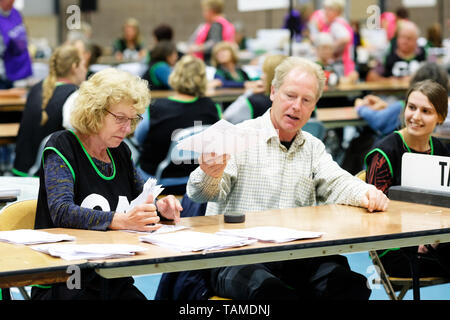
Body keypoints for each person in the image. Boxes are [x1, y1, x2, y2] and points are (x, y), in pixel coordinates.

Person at [186, 56, 389, 300]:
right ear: (273, 92)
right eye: (290, 96)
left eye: (306, 100)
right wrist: (210, 173)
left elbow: (338, 181)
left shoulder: (313, 147)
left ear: (314, 105)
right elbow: (199, 193)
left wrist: (367, 193)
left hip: (294, 254)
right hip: (237, 255)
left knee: (351, 285)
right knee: (269, 291)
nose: (296, 107)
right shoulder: (240, 136)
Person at [31, 68, 182, 300]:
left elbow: (141, 199)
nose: (127, 128)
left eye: (132, 120)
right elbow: (61, 211)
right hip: (67, 277)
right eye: (120, 119)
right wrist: (120, 220)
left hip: (110, 276)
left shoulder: (119, 151)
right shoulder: (62, 146)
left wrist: (160, 208)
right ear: (95, 112)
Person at [364, 79, 450, 278]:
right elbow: (375, 217)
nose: (415, 116)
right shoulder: (384, 153)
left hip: (434, 241)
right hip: (394, 249)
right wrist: (417, 239)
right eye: (411, 107)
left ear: (440, 117)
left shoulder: (440, 149)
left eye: (426, 111)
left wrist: (432, 240)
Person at [135, 54, 221, 183]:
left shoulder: (155, 108)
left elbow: (138, 138)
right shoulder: (211, 107)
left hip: (159, 179)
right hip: (198, 178)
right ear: (203, 79)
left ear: (175, 75)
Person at [12, 44, 87, 177]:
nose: (85, 70)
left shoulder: (36, 88)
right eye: (83, 65)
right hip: (44, 177)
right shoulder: (74, 95)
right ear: (74, 67)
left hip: (20, 169)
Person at [223, 54, 286, 124]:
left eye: (264, 73)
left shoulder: (255, 100)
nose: (261, 76)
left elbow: (228, 117)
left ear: (272, 75)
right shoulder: (290, 101)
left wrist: (249, 93)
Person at [308, 0, 355, 78]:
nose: (326, 12)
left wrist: (329, 49)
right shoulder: (339, 22)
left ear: (338, 11)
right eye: (325, 9)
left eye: (330, 9)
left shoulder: (336, 25)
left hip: (340, 64)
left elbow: (345, 39)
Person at [189, 0, 235, 64]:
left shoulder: (216, 25)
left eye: (204, 10)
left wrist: (196, 48)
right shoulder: (225, 22)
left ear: (210, 11)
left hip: (212, 63)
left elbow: (215, 43)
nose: (203, 14)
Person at [0, 0, 32, 89]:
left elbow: (23, 35)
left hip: (22, 67)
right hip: (5, 72)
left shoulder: (15, 13)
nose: (12, 3)